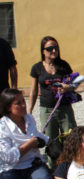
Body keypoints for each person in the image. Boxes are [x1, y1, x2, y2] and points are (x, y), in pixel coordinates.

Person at [0, 88, 56, 179]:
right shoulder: (2, 127)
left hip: (32, 163)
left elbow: (36, 134)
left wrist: (49, 142)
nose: (24, 105)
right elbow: (7, 157)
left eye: (23, 101)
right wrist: (29, 144)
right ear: (8, 107)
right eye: (18, 103)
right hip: (11, 168)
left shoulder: (29, 119)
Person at [29, 36, 78, 169]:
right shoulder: (37, 68)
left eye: (56, 47)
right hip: (47, 109)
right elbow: (33, 91)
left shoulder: (64, 65)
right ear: (43, 51)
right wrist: (29, 111)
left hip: (64, 108)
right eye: (50, 48)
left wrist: (69, 88)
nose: (54, 50)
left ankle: (71, 166)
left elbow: (74, 83)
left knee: (71, 137)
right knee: (50, 139)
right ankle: (53, 169)